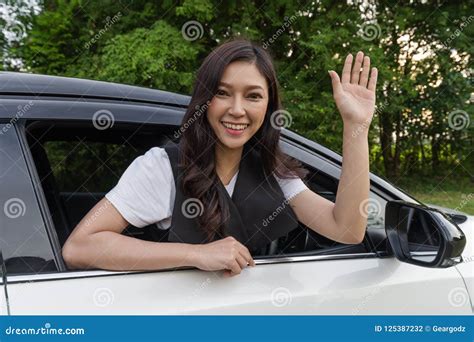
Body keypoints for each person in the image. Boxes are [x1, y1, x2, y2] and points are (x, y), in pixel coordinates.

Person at [62, 38, 378, 277]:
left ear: (268, 107)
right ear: (205, 99)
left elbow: (347, 229)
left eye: (253, 96)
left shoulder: (274, 172)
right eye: (223, 93)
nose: (237, 110)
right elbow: (79, 247)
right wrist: (196, 254)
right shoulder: (162, 167)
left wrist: (357, 126)